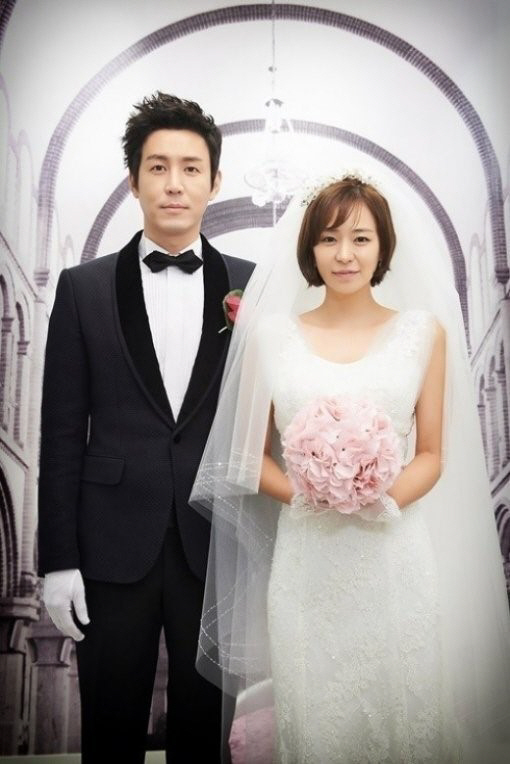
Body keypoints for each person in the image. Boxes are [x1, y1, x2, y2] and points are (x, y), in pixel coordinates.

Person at [191, 175, 510, 762]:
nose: (344, 254)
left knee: (403, 719)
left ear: (383, 246)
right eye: (329, 239)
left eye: (361, 238)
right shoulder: (270, 336)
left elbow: (432, 454)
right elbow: (248, 457)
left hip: (395, 559)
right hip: (307, 565)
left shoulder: (423, 333)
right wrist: (309, 493)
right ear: (309, 248)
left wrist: (378, 498)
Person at [38, 92, 254, 763]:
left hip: (216, 545)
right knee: (109, 731)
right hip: (108, 547)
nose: (174, 183)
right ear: (134, 181)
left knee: (206, 737)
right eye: (158, 167)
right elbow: (60, 434)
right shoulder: (82, 288)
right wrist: (58, 561)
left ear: (215, 181)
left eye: (191, 168)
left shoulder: (255, 287)